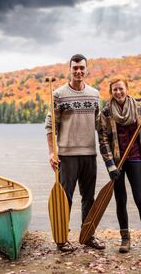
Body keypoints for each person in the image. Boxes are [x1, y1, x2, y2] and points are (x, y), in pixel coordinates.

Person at [45, 54, 105, 252]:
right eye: (75, 68)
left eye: (82, 68)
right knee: (66, 198)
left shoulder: (95, 94)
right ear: (69, 70)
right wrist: (52, 153)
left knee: (89, 197)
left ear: (86, 70)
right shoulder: (59, 94)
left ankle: (88, 235)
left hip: (90, 153)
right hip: (67, 156)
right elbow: (50, 126)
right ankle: (62, 238)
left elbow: (100, 126)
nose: (78, 71)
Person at [98, 77, 141, 254]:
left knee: (140, 199)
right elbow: (103, 140)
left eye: (121, 89)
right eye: (115, 90)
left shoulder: (139, 109)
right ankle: (125, 239)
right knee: (121, 200)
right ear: (111, 92)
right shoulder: (106, 112)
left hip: (135, 159)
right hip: (117, 162)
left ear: (126, 89)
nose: (118, 92)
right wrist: (110, 164)